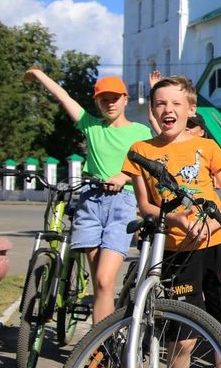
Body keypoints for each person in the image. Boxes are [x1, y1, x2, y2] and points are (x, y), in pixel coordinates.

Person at [119, 75, 221, 368]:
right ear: (152, 110)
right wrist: (174, 218)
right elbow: (145, 204)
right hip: (175, 250)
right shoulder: (140, 150)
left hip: (218, 245)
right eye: (160, 104)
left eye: (176, 103)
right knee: (180, 333)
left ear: (191, 109)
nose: (168, 110)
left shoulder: (207, 147)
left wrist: (212, 223)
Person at [22, 68, 151, 325]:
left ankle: (104, 343)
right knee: (98, 283)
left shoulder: (141, 132)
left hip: (122, 205)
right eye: (104, 99)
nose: (110, 103)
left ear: (125, 99)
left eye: (115, 98)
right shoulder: (92, 126)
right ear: (97, 102)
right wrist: (39, 74)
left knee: (105, 279)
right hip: (90, 202)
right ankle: (99, 350)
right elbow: (64, 97)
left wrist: (124, 177)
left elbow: (148, 165)